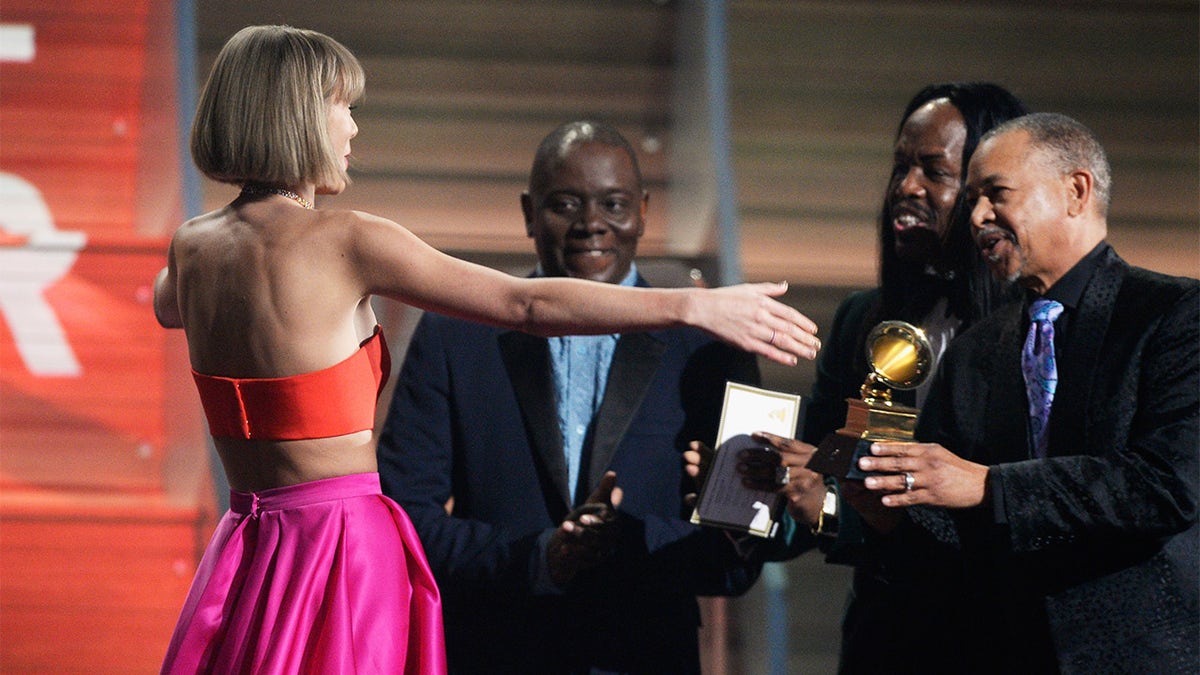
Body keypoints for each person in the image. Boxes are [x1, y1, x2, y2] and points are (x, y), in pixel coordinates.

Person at [152, 27, 820, 674]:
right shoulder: (350, 241)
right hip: (339, 546)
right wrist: (690, 303)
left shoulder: (192, 248)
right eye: (342, 108)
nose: (353, 128)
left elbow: (167, 306)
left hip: (252, 544)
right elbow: (524, 307)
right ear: (295, 118)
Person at [376, 120, 769, 674]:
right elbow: (402, 521)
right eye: (565, 204)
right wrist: (536, 558)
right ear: (528, 213)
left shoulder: (710, 346)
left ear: (644, 211)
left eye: (613, 204)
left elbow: (737, 559)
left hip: (646, 654)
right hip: (497, 651)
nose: (592, 226)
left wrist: (625, 545)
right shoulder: (455, 335)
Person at [854, 113, 1198, 671]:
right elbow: (953, 541)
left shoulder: (1175, 316)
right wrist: (891, 513)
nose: (977, 217)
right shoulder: (975, 351)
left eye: (996, 194)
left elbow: (1167, 486)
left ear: (1076, 191)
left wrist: (991, 486)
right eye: (971, 200)